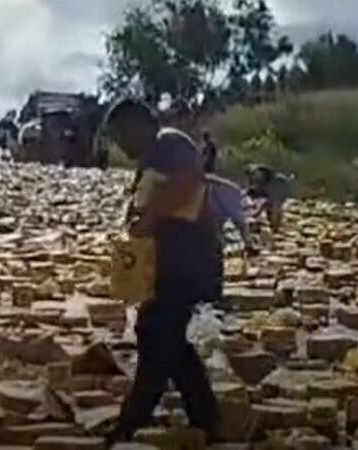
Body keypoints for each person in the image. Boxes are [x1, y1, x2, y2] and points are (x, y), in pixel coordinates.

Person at [103, 98, 221, 445]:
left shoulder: (170, 143)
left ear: (138, 125)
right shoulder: (153, 155)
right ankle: (206, 418)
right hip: (167, 263)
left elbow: (191, 184)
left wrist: (151, 218)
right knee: (168, 341)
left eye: (121, 135)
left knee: (154, 333)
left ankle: (131, 421)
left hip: (187, 262)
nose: (120, 145)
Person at [245, 164, 292, 234]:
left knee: (274, 207)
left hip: (279, 189)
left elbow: (275, 201)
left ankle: (275, 227)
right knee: (268, 205)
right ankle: (273, 225)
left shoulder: (274, 184)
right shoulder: (259, 178)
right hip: (274, 190)